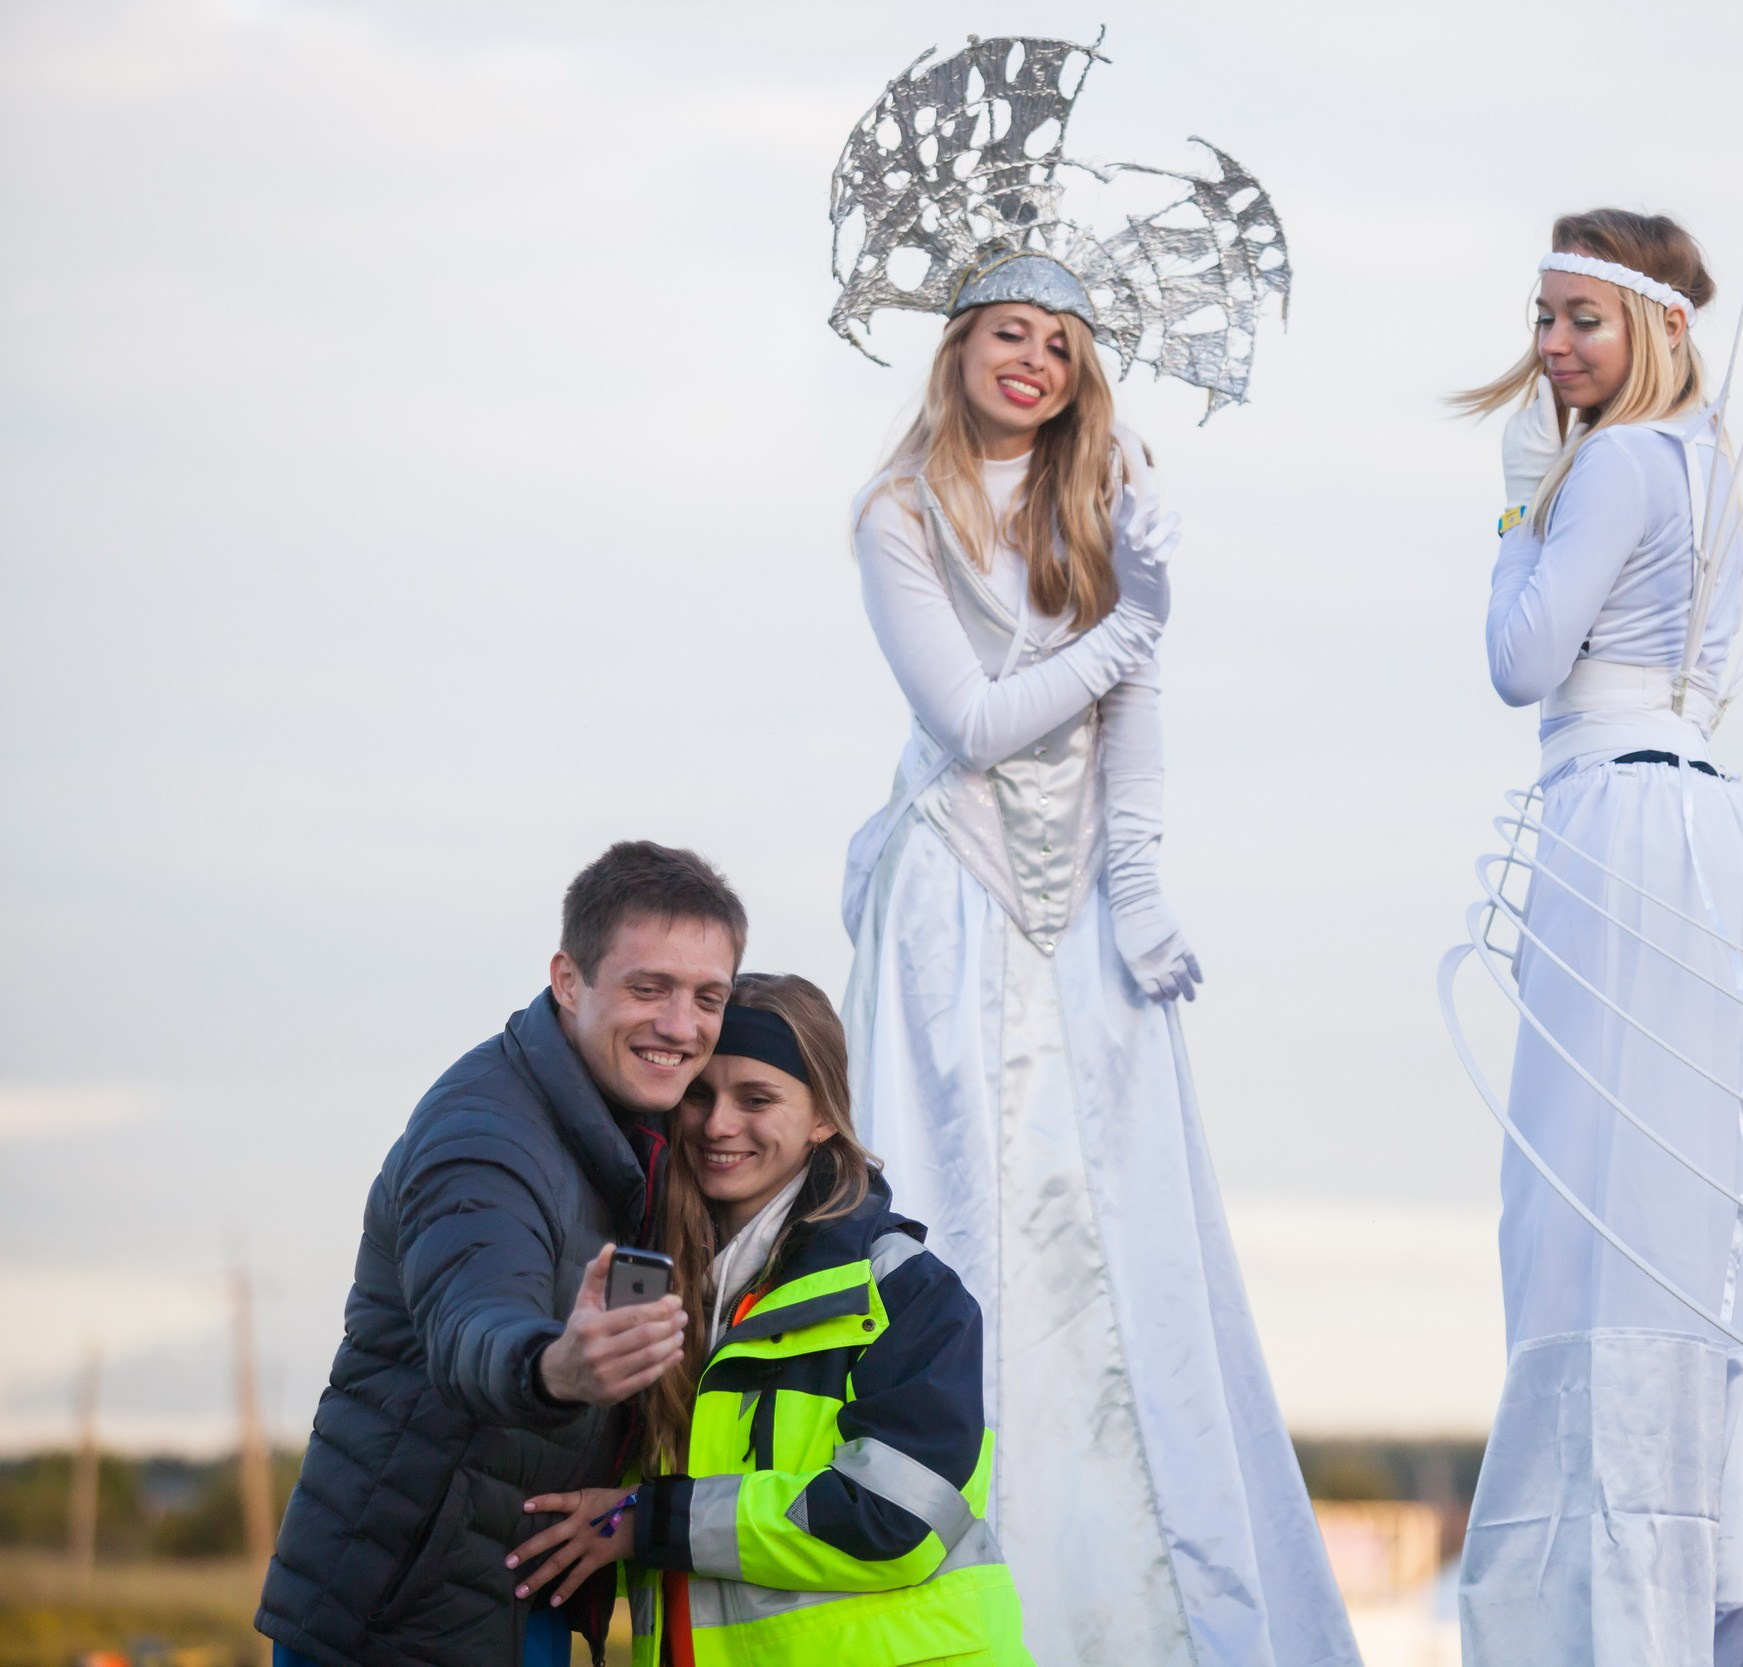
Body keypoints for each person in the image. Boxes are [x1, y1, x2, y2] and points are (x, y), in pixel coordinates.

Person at [837, 282, 1352, 1665]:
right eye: (1014, 332)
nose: (1037, 362)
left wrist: (1139, 885)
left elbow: (1140, 707)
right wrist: (1140, 619)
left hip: (1083, 924)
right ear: (960, 345)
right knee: (970, 1221)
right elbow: (974, 719)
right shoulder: (896, 512)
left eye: (1063, 346)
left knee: (1125, 1245)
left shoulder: (1107, 491)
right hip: (957, 898)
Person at [1450, 210, 1743, 1667]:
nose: (1555, 345)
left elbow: (1522, 662)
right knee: (1661, 1207)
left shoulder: (1622, 461)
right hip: (1694, 824)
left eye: (1583, 317)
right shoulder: (1710, 469)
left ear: (1656, 327)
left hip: (1612, 823)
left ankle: (1578, 1615)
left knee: (1583, 1199)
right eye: (1545, 316)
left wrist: (1522, 512)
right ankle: (1667, 1592)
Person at [258, 840, 742, 1667]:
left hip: (508, 1593)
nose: (681, 1025)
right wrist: (555, 1367)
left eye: (708, 996)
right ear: (567, 979)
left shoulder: (640, 1124)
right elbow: (471, 1321)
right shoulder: (484, 1132)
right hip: (401, 1616)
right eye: (649, 987)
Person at [504, 972, 1032, 1665]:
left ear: (822, 1117)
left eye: (756, 1098)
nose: (718, 1123)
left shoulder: (906, 1292)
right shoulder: (662, 1290)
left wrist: (641, 1521)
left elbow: (896, 1518)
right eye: (699, 1095)